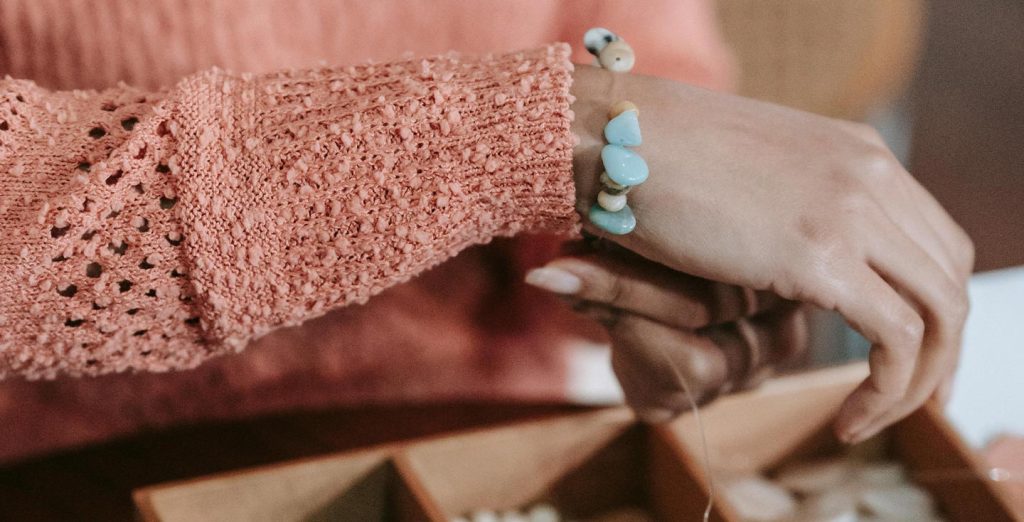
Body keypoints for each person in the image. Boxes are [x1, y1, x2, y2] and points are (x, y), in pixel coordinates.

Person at [0, 0, 970, 461]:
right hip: (71, 468)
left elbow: (625, 36)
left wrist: (638, 258)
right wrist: (551, 135)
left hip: (478, 439)